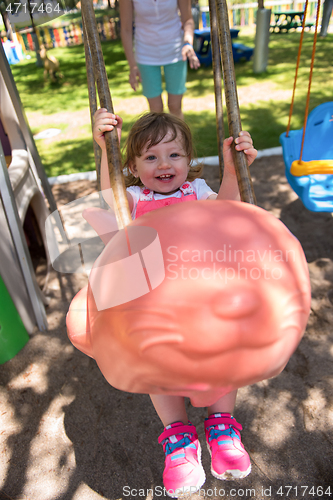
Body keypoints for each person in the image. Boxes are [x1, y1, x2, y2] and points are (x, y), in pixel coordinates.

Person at [93, 108, 257, 497]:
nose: (163, 164)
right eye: (150, 157)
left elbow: (228, 214)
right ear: (131, 166)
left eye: (174, 155)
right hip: (152, 302)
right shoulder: (131, 198)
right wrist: (104, 151)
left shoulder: (198, 193)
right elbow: (109, 215)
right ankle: (179, 439)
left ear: (189, 161)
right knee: (156, 363)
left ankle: (222, 428)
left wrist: (234, 173)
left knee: (222, 350)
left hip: (203, 295)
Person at [119, 0, 200, 120]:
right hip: (145, 53)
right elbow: (126, 29)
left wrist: (188, 43)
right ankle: (159, 139)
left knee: (175, 107)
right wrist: (132, 65)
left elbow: (188, 19)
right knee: (155, 110)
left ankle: (179, 139)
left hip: (175, 51)